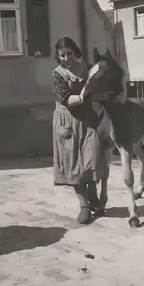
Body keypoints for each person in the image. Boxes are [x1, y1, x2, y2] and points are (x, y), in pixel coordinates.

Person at [52, 37, 110, 225]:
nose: (66, 58)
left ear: (75, 52)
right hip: (67, 121)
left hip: (88, 119)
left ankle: (93, 196)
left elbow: (102, 83)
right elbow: (65, 99)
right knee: (74, 165)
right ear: (58, 56)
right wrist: (86, 94)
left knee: (92, 159)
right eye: (62, 55)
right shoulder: (58, 74)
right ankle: (84, 205)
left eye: (69, 53)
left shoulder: (86, 69)